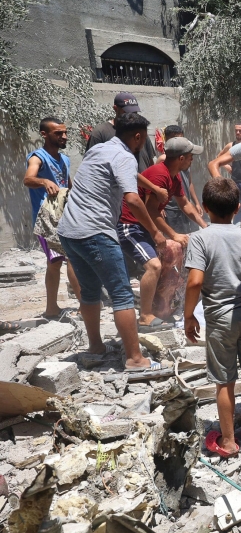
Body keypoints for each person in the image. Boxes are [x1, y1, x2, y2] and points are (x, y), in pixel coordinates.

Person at [57, 112, 163, 371]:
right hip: (95, 231)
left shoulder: (99, 150)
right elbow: (133, 199)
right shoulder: (125, 156)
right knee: (122, 294)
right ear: (137, 137)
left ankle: (96, 348)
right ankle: (136, 359)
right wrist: (156, 233)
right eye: (144, 139)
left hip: (69, 230)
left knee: (90, 291)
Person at [184, 178, 241, 457]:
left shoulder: (200, 238)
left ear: (206, 207)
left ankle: (228, 441)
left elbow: (194, 282)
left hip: (220, 319)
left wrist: (188, 315)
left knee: (224, 381)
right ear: (237, 208)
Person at [120, 136, 207, 329]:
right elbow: (151, 210)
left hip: (144, 225)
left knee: (168, 257)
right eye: (190, 156)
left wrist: (205, 226)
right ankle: (145, 316)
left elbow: (184, 204)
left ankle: (161, 308)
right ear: (181, 158)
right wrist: (173, 234)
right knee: (154, 266)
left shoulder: (173, 175)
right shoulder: (160, 174)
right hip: (130, 225)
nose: (193, 159)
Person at [23, 116, 80, 318]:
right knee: (69, 258)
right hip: (47, 218)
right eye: (58, 133)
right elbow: (28, 179)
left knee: (59, 261)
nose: (64, 137)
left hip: (65, 214)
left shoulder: (64, 159)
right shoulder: (37, 157)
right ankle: (84, 305)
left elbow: (69, 185)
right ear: (44, 134)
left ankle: (52, 308)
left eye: (65, 133)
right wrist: (44, 181)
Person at [87, 93, 169, 207]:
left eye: (135, 112)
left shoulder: (139, 131)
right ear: (115, 109)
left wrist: (153, 193)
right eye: (127, 111)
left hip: (143, 193)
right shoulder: (101, 132)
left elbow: (149, 163)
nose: (132, 115)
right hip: (121, 199)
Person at [158, 125, 207, 234]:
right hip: (171, 209)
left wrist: (197, 203)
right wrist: (160, 207)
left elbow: (189, 183)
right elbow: (156, 189)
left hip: (186, 205)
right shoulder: (163, 162)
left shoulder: (186, 159)